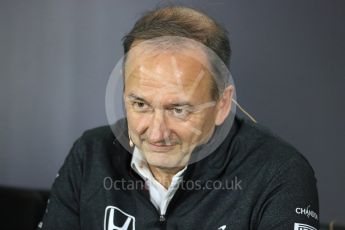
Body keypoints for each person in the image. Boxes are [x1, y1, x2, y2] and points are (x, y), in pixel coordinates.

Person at [38, 6, 319, 230]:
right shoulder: (90, 154)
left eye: (178, 109)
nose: (157, 133)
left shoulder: (278, 171)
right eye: (140, 104)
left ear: (222, 104)